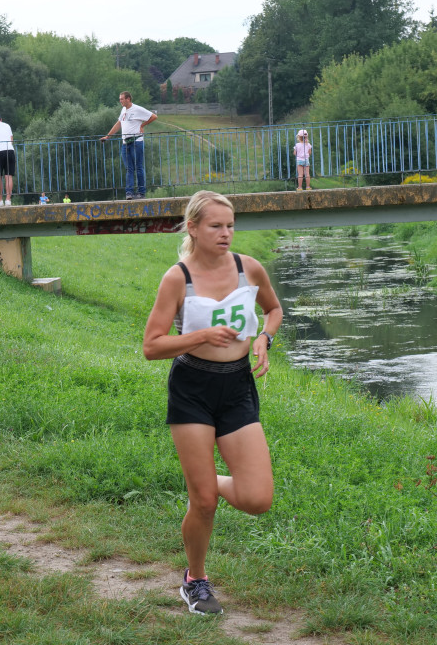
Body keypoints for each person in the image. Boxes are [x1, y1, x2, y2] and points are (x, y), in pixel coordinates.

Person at [142, 190, 282, 616]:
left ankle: (210, 482)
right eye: (216, 226)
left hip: (237, 387)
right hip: (192, 388)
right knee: (202, 503)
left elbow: (274, 310)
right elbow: (152, 346)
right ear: (194, 229)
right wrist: (201, 335)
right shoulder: (177, 278)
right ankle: (195, 581)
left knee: (257, 499)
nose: (226, 233)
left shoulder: (248, 268)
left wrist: (264, 338)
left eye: (230, 225)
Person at [101, 91, 157, 199]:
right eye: (120, 99)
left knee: (138, 167)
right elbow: (118, 124)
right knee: (129, 169)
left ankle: (141, 193)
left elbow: (154, 116)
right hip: (125, 143)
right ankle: (129, 193)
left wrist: (142, 125)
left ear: (128, 99)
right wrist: (107, 136)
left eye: (122, 99)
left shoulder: (137, 109)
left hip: (136, 141)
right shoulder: (123, 110)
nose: (120, 101)